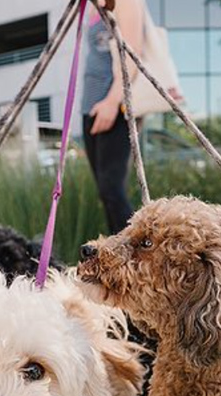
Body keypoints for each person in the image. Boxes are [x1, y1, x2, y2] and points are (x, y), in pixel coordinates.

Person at [81, 0, 145, 235]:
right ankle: (118, 260)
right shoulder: (90, 6)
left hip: (115, 106)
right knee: (105, 192)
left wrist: (112, 102)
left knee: (112, 189)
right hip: (91, 105)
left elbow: (132, 54)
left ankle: (136, 256)